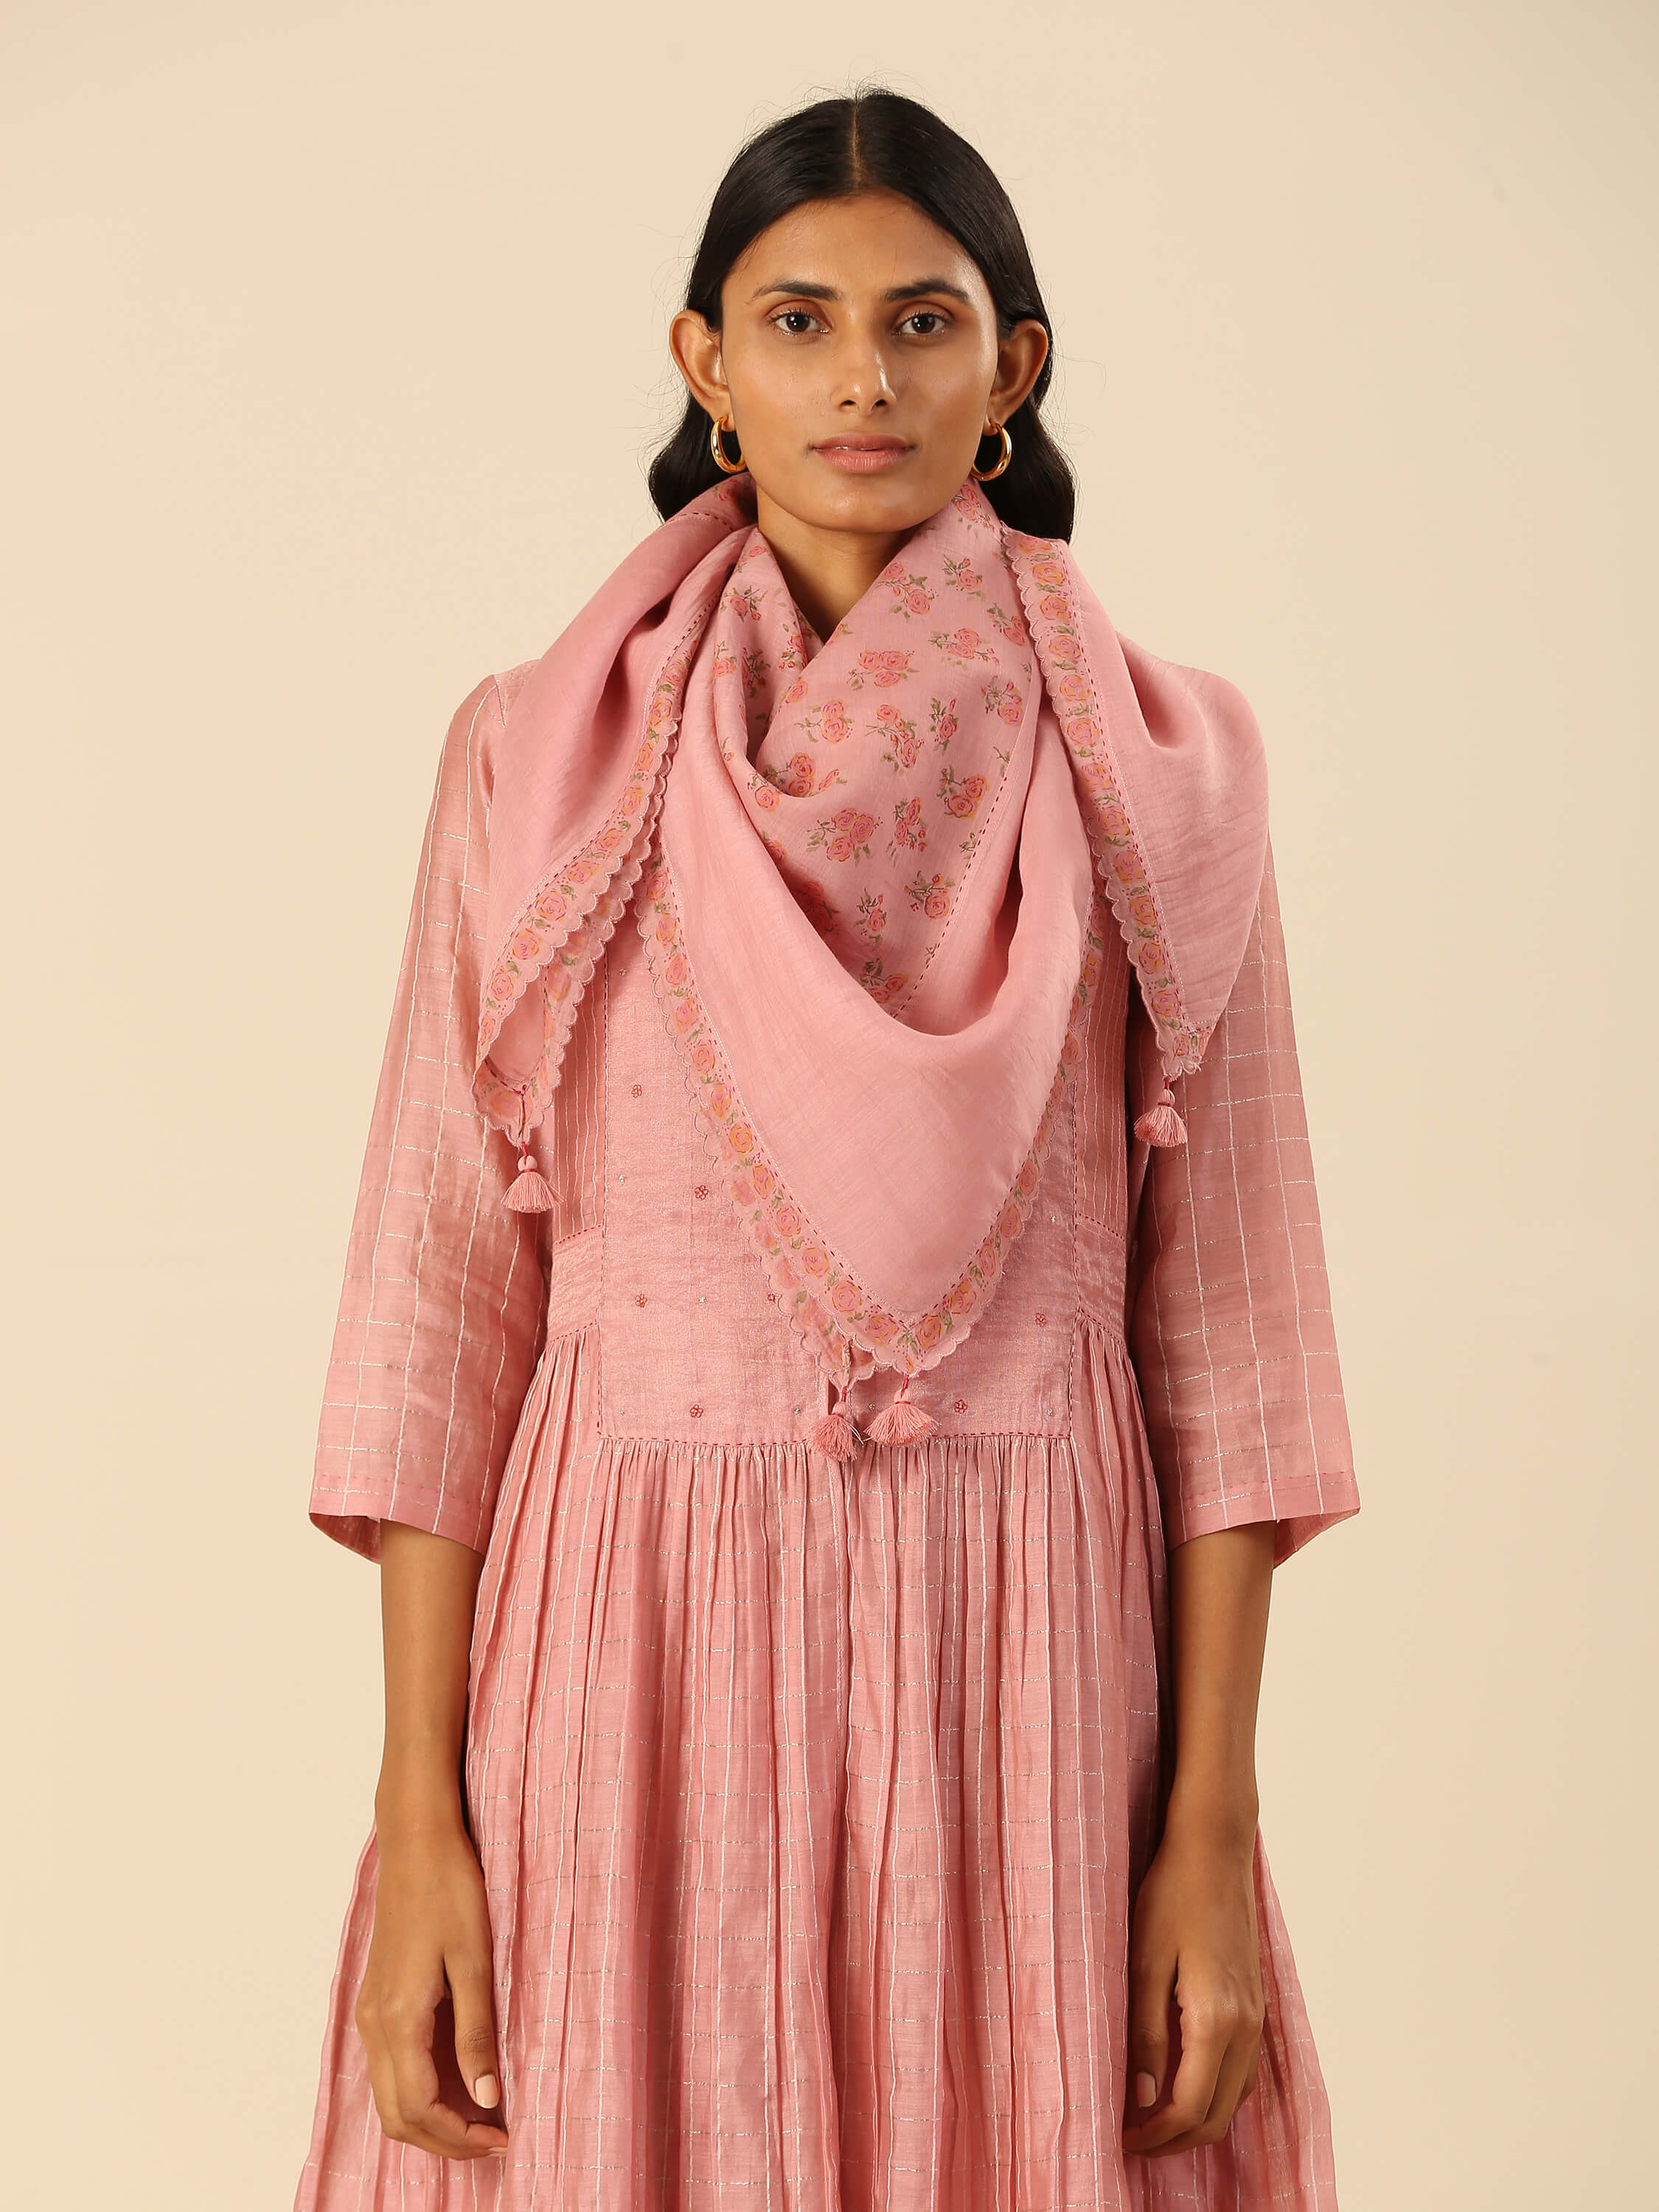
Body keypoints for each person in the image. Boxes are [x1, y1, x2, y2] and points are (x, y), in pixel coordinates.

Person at [293, 85, 1360, 2212]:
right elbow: (437, 1310)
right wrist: (423, 1814)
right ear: (704, 366)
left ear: (1010, 366)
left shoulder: (1162, 771)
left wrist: (1208, 1840)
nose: (859, 378)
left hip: (1029, 1670)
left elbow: (1230, 1340)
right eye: (795, 321)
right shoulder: (534, 758)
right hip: (625, 1664)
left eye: (920, 320)